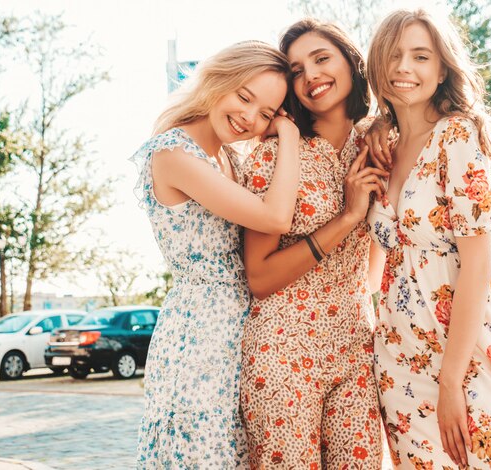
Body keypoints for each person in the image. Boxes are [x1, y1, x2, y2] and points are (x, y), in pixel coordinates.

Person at [365, 8, 491, 469]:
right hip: (397, 354)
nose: (404, 69)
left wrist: (452, 381)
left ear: (442, 68)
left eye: (420, 56)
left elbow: (477, 264)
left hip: (464, 350)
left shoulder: (456, 135)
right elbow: (377, 269)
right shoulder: (382, 150)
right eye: (393, 56)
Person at [132, 40, 300, 469]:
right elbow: (275, 217)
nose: (249, 117)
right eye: (244, 97)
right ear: (217, 81)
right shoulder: (173, 153)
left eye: (266, 113)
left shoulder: (226, 158)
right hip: (199, 335)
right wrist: (289, 134)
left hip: (241, 332)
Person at [239, 19, 387, 469]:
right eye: (297, 70)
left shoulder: (382, 143)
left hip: (357, 347)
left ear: (350, 61)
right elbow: (260, 276)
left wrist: (385, 121)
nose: (311, 76)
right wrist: (346, 218)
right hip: (284, 351)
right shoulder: (277, 153)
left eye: (321, 59)